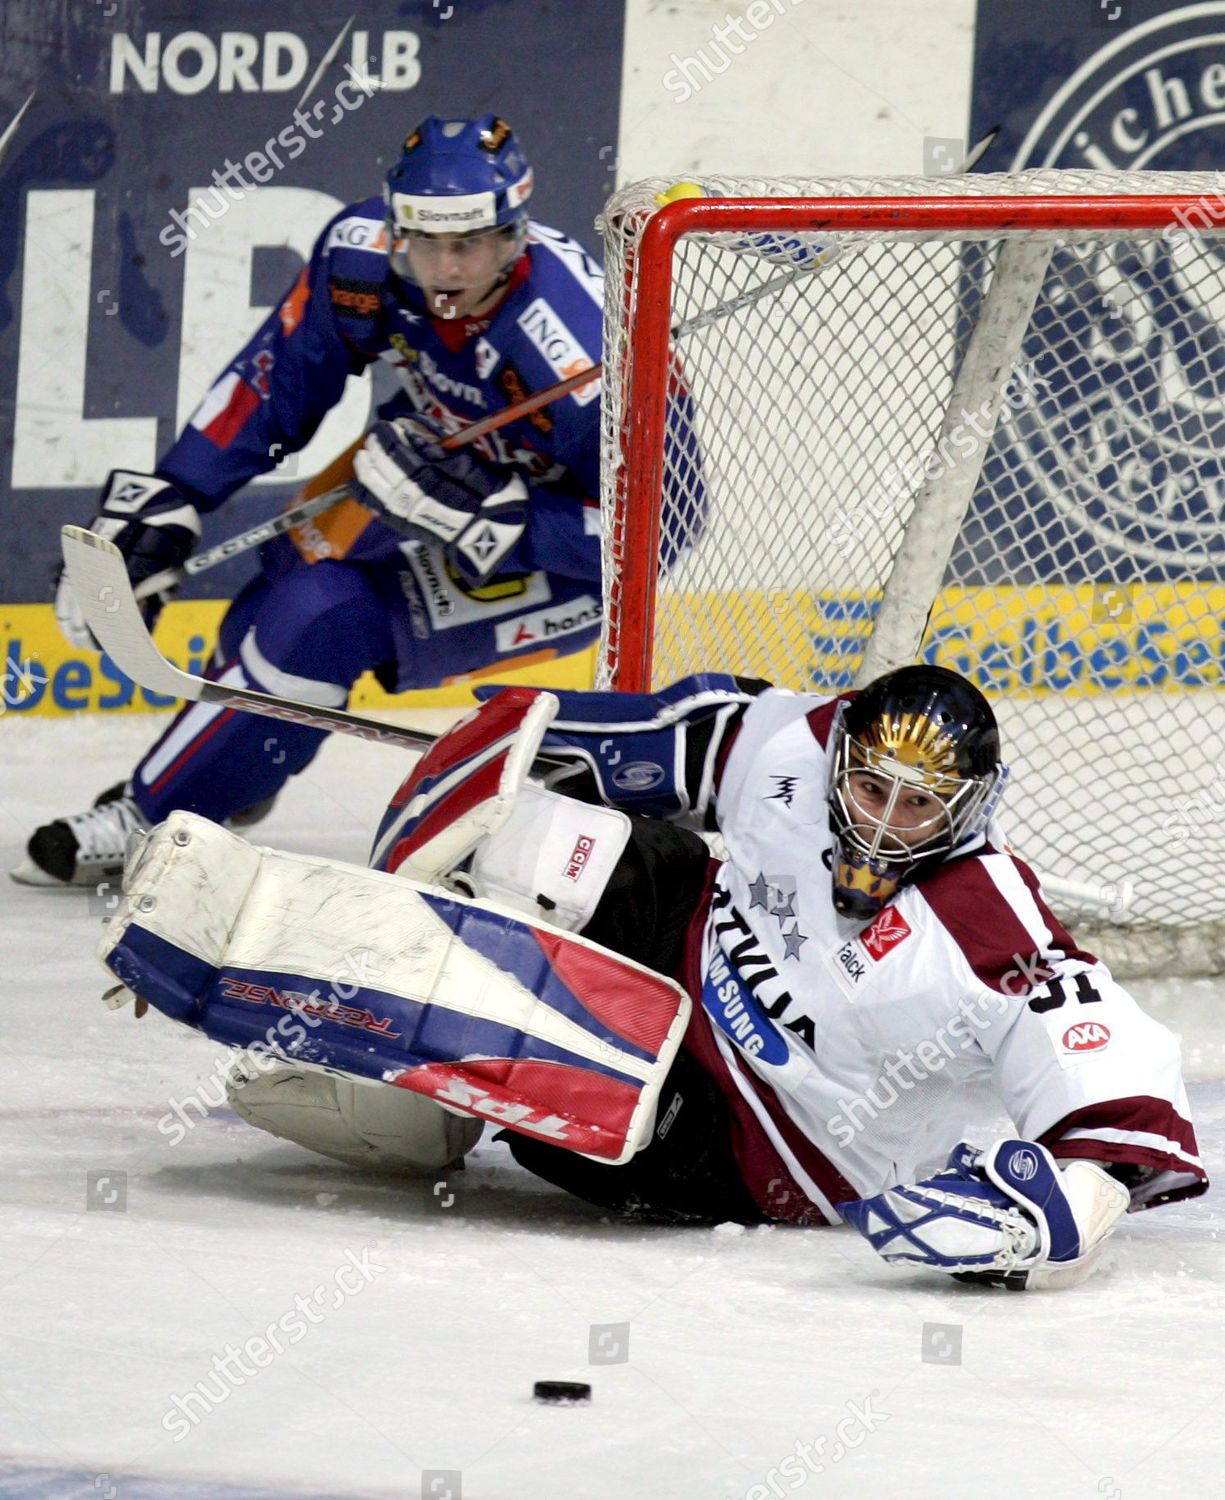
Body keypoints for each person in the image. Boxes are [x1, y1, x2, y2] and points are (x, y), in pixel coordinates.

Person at [113, 663, 1206, 1290]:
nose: (880, 821)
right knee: (525, 843)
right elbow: (689, 732)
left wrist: (1064, 1212)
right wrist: (522, 744)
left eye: (916, 804)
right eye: (866, 788)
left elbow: (1124, 1094)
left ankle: (398, 1102)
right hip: (694, 928)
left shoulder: (984, 925)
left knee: (550, 1045)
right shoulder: (804, 746)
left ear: (968, 806)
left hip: (757, 1143)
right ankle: (284, 945)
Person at [16, 114, 688, 888]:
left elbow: (663, 530)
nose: (443, 266)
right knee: (288, 574)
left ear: (514, 236)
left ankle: (154, 820)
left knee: (321, 618)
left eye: (469, 243)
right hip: (424, 466)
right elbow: (277, 382)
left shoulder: (580, 344)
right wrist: (178, 495)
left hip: (554, 559)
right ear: (395, 222)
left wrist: (496, 522)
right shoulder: (363, 257)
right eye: (423, 240)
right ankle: (220, 787)